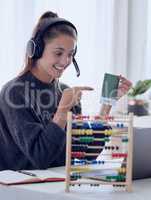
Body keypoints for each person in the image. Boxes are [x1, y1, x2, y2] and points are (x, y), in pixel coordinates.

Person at [0, 11, 132, 170]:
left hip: (57, 188)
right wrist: (62, 111)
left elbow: (86, 153)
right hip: (20, 190)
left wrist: (107, 103)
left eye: (71, 54)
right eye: (58, 53)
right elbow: (40, 158)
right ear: (37, 50)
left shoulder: (66, 92)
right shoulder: (14, 93)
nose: (65, 61)